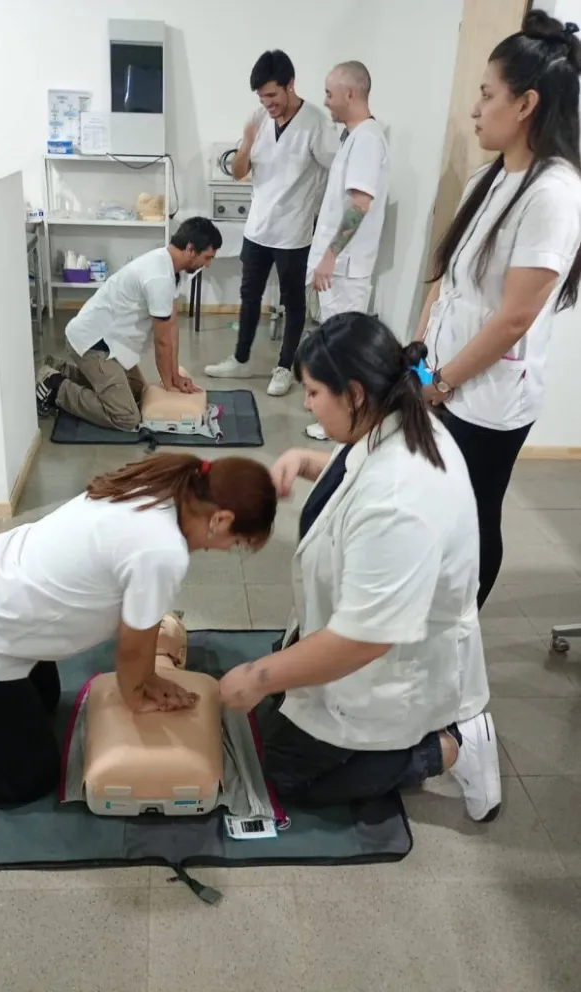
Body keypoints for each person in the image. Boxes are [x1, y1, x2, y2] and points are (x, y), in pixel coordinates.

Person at [0, 454, 277, 805]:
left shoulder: (162, 486)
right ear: (221, 519)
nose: (226, 550)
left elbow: (137, 634)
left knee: (44, 701)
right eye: (236, 543)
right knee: (28, 775)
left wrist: (148, 677)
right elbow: (132, 649)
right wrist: (140, 692)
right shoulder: (163, 552)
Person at [219, 313, 500, 823]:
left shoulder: (399, 499)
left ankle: (448, 748)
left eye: (312, 393)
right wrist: (308, 461)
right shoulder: (394, 420)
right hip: (369, 633)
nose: (306, 404)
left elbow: (364, 640)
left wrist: (258, 676)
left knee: (282, 774)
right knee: (273, 719)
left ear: (353, 393)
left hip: (390, 660)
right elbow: (358, 473)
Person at [415, 10, 581, 609]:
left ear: (526, 104)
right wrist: (418, 360)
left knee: (474, 511)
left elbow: (514, 318)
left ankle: (459, 625)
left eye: (488, 95)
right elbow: (445, 277)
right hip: (441, 376)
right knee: (436, 502)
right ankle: (429, 608)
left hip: (488, 397)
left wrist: (442, 383)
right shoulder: (486, 179)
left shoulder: (555, 193)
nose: (476, 109)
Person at [205, 50, 336, 397]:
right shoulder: (258, 119)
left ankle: (284, 367)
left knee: (293, 302)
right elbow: (238, 172)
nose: (268, 104)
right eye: (262, 98)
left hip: (294, 232)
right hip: (257, 228)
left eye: (273, 96)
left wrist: (324, 219)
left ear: (290, 84)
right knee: (249, 296)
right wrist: (248, 140)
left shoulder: (316, 123)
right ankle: (241, 359)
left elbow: (336, 172)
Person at [36, 217, 223, 430]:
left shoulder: (172, 269)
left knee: (137, 392)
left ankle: (58, 368)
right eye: (207, 257)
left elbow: (171, 327)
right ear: (190, 249)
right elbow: (162, 342)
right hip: (93, 343)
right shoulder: (158, 277)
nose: (207, 265)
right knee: (126, 417)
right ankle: (54, 386)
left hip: (112, 343)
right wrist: (169, 385)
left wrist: (175, 377)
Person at [305, 61, 389, 441]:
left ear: (350, 93)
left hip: (345, 268)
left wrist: (330, 256)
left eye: (329, 93)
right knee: (335, 346)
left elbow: (359, 204)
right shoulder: (355, 137)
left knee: (345, 352)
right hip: (340, 266)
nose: (325, 101)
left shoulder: (367, 140)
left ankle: (348, 422)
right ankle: (339, 418)